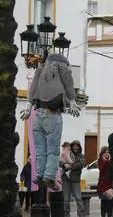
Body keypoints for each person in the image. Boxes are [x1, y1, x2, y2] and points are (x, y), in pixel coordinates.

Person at [20, 52, 80, 190]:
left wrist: (28, 106)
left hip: (37, 115)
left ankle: (39, 175)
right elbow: (69, 83)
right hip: (52, 115)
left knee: (40, 150)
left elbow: (33, 87)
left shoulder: (40, 69)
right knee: (52, 151)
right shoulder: (63, 69)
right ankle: (49, 178)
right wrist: (72, 100)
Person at [60, 140, 86, 217]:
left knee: (78, 198)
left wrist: (69, 166)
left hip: (75, 180)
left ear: (79, 147)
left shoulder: (81, 156)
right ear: (71, 146)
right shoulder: (67, 153)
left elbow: (81, 165)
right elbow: (59, 161)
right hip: (66, 180)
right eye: (74, 145)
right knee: (66, 199)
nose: (75, 147)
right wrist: (64, 165)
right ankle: (66, 216)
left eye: (77, 146)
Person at [97, 146, 113, 217]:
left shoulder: (111, 160)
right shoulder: (100, 160)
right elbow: (101, 169)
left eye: (108, 152)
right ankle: (103, 216)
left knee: (109, 201)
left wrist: (108, 161)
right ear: (102, 153)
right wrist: (105, 161)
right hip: (102, 183)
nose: (106, 154)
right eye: (105, 152)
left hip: (109, 183)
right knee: (103, 201)